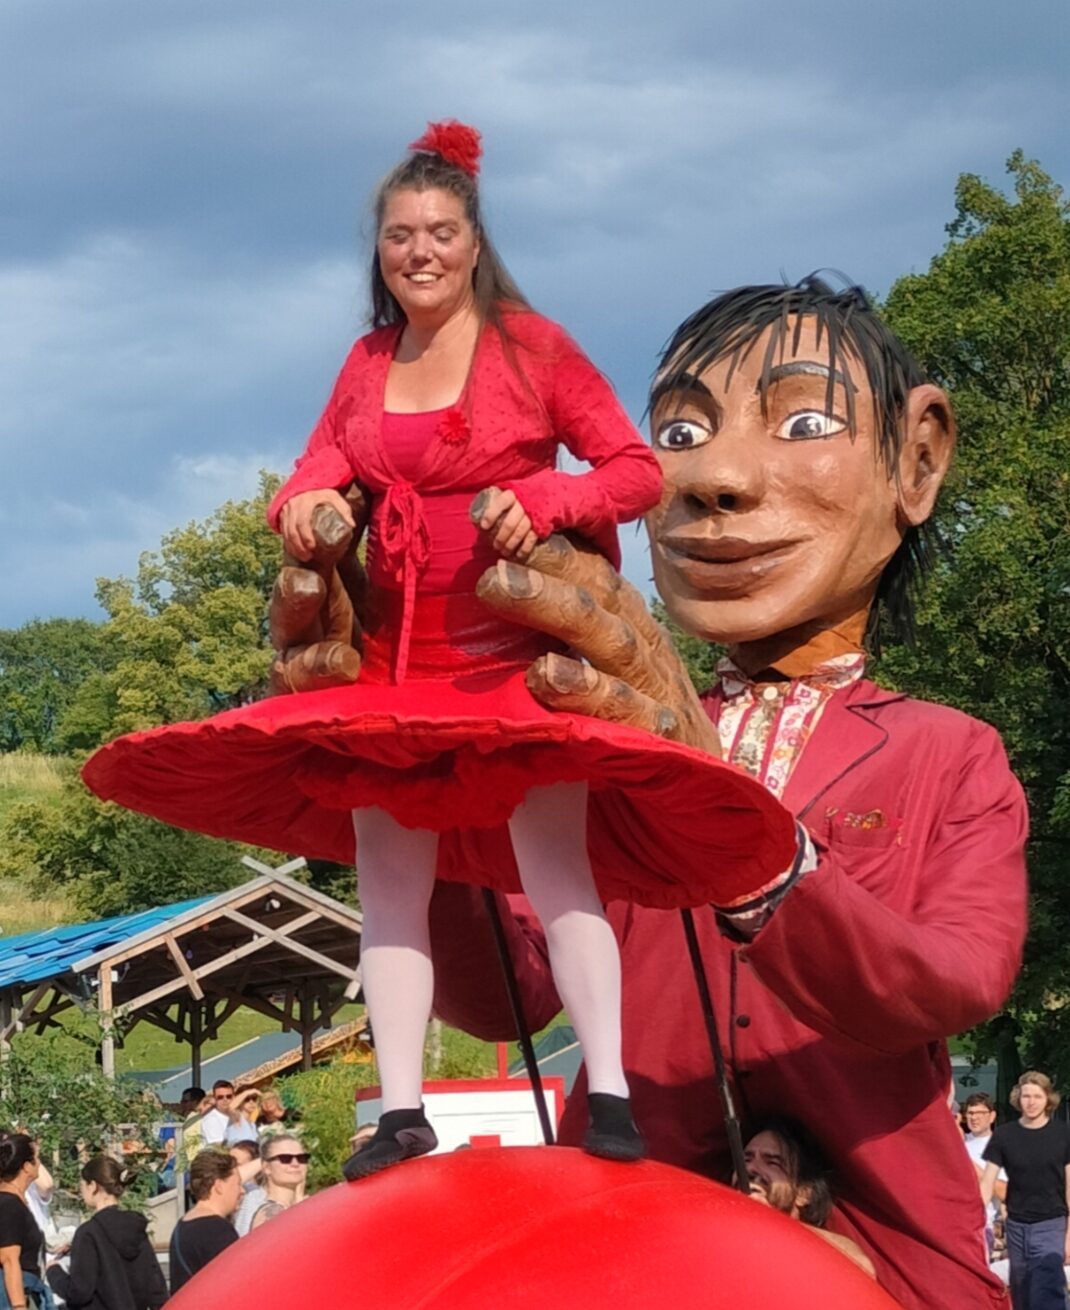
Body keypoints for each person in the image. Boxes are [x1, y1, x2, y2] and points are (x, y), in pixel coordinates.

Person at [83, 122, 794, 1178]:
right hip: (393, 668)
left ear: (474, 242)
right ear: (379, 250)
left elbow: (633, 470)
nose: (419, 251)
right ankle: (402, 1110)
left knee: (557, 868)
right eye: (400, 235)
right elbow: (310, 474)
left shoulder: (532, 347)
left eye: (440, 232)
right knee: (387, 885)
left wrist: (547, 496)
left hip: (518, 660)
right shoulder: (365, 364)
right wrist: (307, 510)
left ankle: (608, 1091)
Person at [415, 277, 1028, 1310]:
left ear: (916, 460)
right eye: (679, 433)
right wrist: (419, 796)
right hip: (626, 1227)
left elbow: (953, 981)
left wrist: (738, 832)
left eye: (803, 423)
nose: (714, 478)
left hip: (883, 1236)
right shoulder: (598, 742)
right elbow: (506, 994)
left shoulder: (950, 752)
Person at [741, 1117, 875, 1279]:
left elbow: (861, 1267)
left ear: (804, 1193)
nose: (750, 1168)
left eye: (773, 1163)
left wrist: (770, 1220)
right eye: (745, 1160)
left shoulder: (818, 1252)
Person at [981, 1072, 1070, 1309]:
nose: (1031, 1102)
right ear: (1018, 1099)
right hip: (1016, 1225)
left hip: (1051, 1223)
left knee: (1046, 1289)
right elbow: (988, 1181)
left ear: (1048, 1099)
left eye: (1037, 1096)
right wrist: (977, 1220)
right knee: (1022, 1292)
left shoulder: (1063, 1134)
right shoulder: (1004, 1135)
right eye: (1026, 1096)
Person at [44, 1156, 167, 1310]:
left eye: (82, 1185)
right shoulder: (135, 1228)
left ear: (92, 1186)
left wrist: (53, 1271)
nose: (81, 1191)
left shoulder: (88, 1233)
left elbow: (79, 1292)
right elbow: (156, 1289)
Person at [168, 1150, 241, 1296]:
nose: (242, 1191)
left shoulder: (183, 1225)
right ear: (219, 1186)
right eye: (238, 1184)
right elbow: (234, 1285)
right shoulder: (218, 1230)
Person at [0, 1132, 52, 1310]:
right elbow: (8, 1259)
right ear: (26, 1167)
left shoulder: (14, 1202)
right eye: (36, 1158)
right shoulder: (9, 1204)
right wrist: (19, 1306)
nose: (39, 1163)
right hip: (13, 1295)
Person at [234, 1137, 309, 1236]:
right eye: (285, 1158)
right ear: (266, 1167)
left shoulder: (302, 1206)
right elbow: (233, 1179)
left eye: (301, 1158)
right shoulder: (254, 1198)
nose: (295, 1164)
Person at [963, 1092, 1007, 1253]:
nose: (974, 1118)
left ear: (992, 1116)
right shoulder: (958, 1142)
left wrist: (970, 1167)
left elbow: (1004, 1192)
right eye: (970, 1113)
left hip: (982, 1227)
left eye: (980, 1113)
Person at [199, 1082, 237, 1146]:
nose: (225, 1099)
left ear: (234, 1097)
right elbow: (219, 1146)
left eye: (229, 1096)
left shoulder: (237, 1116)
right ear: (214, 1099)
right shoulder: (211, 1119)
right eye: (220, 1097)